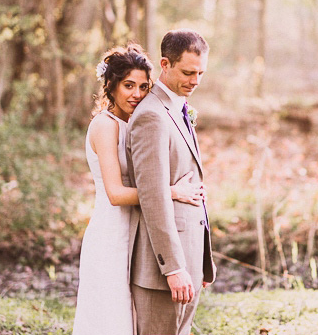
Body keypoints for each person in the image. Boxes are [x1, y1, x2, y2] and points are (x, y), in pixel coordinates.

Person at [72, 44, 204, 335]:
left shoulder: (139, 122)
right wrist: (169, 192)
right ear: (111, 86)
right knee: (112, 321)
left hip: (136, 233)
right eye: (128, 85)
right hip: (112, 234)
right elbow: (116, 194)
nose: (137, 94)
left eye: (144, 86)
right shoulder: (105, 126)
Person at [126, 30, 216, 335]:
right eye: (188, 72)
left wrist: (199, 261)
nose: (196, 80)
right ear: (165, 64)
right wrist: (174, 267)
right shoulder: (151, 116)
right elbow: (152, 196)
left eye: (201, 72)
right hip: (162, 269)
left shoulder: (177, 108)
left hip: (188, 257)